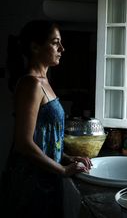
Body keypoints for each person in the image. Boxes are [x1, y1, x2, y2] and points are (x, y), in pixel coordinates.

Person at [1, 19, 92, 218]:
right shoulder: (30, 84)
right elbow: (23, 143)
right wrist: (62, 169)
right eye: (55, 42)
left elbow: (46, 137)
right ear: (35, 47)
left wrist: (67, 157)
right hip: (30, 180)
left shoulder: (45, 82)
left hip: (46, 177)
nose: (62, 48)